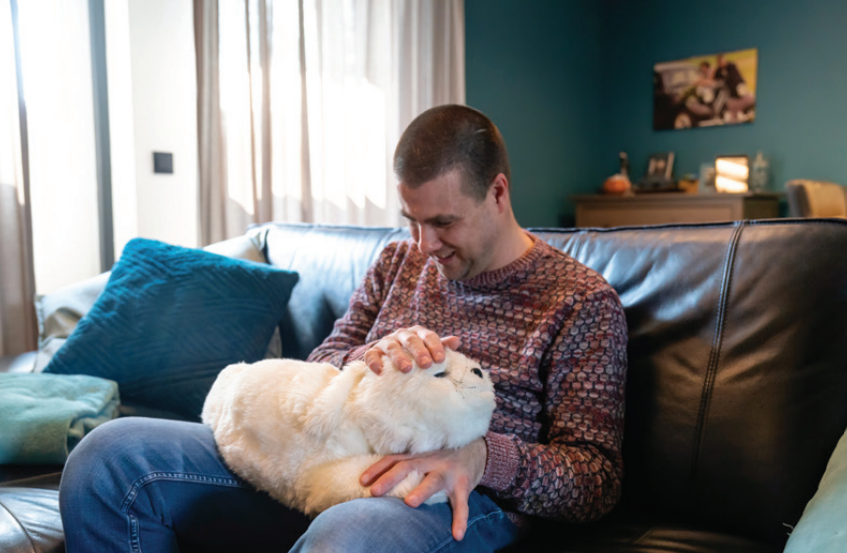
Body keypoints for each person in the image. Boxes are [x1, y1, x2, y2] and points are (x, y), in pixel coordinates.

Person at [59, 104, 628, 553]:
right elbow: (322, 362)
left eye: (443, 222)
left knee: (351, 538)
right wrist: (369, 356)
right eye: (412, 221)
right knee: (109, 455)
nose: (425, 246)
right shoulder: (396, 262)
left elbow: (596, 480)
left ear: (498, 193)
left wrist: (481, 457)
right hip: (320, 465)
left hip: (447, 496)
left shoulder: (580, 301)